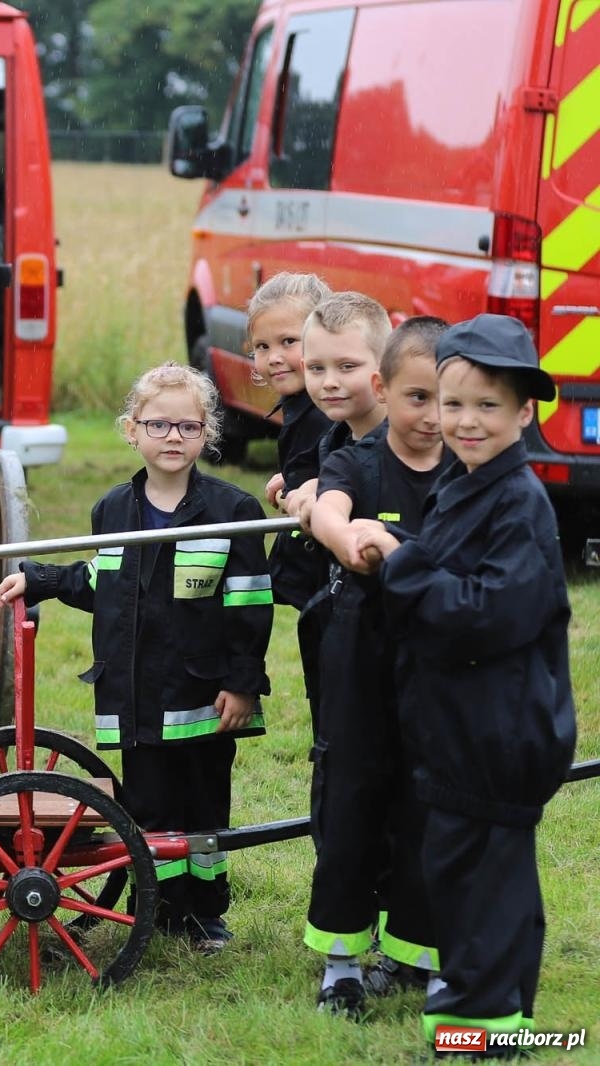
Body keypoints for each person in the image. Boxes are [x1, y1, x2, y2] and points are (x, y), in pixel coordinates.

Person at [0, 362, 273, 953]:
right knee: (147, 809)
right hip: (133, 696)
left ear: (207, 434)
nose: (173, 437)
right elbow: (104, 585)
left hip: (201, 697)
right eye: (159, 424)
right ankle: (161, 906)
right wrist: (40, 580)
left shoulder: (234, 511)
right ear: (132, 431)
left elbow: (251, 606)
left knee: (202, 809)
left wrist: (243, 683)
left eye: (188, 427)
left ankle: (204, 912)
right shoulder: (112, 512)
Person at [353, 315, 575, 1051]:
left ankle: (485, 1030)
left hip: (500, 735)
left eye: (487, 406)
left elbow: (486, 613)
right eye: (452, 404)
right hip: (459, 731)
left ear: (523, 412)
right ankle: (479, 1009)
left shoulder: (519, 503)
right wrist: (403, 548)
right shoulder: (467, 482)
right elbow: (445, 562)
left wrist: (398, 560)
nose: (465, 421)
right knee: (459, 872)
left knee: (486, 885)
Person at [299, 317, 447, 1016]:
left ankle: (423, 954)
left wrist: (398, 545)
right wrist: (346, 534)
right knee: (352, 800)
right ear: (384, 390)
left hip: (441, 660)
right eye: (419, 398)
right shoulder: (356, 463)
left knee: (432, 805)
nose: (435, 417)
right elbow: (328, 512)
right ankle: (341, 963)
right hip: (360, 655)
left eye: (452, 401)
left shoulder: (469, 473)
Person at [279, 292, 391, 737]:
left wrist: (316, 495)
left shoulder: (404, 447)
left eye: (347, 367)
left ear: (384, 370)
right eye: (316, 367)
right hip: (341, 629)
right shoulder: (334, 440)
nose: (329, 382)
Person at [249, 272, 333, 610]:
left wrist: (304, 490)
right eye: (262, 346)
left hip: (335, 570)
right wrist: (295, 476)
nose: (274, 358)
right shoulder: (301, 406)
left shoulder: (327, 409)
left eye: (288, 341)